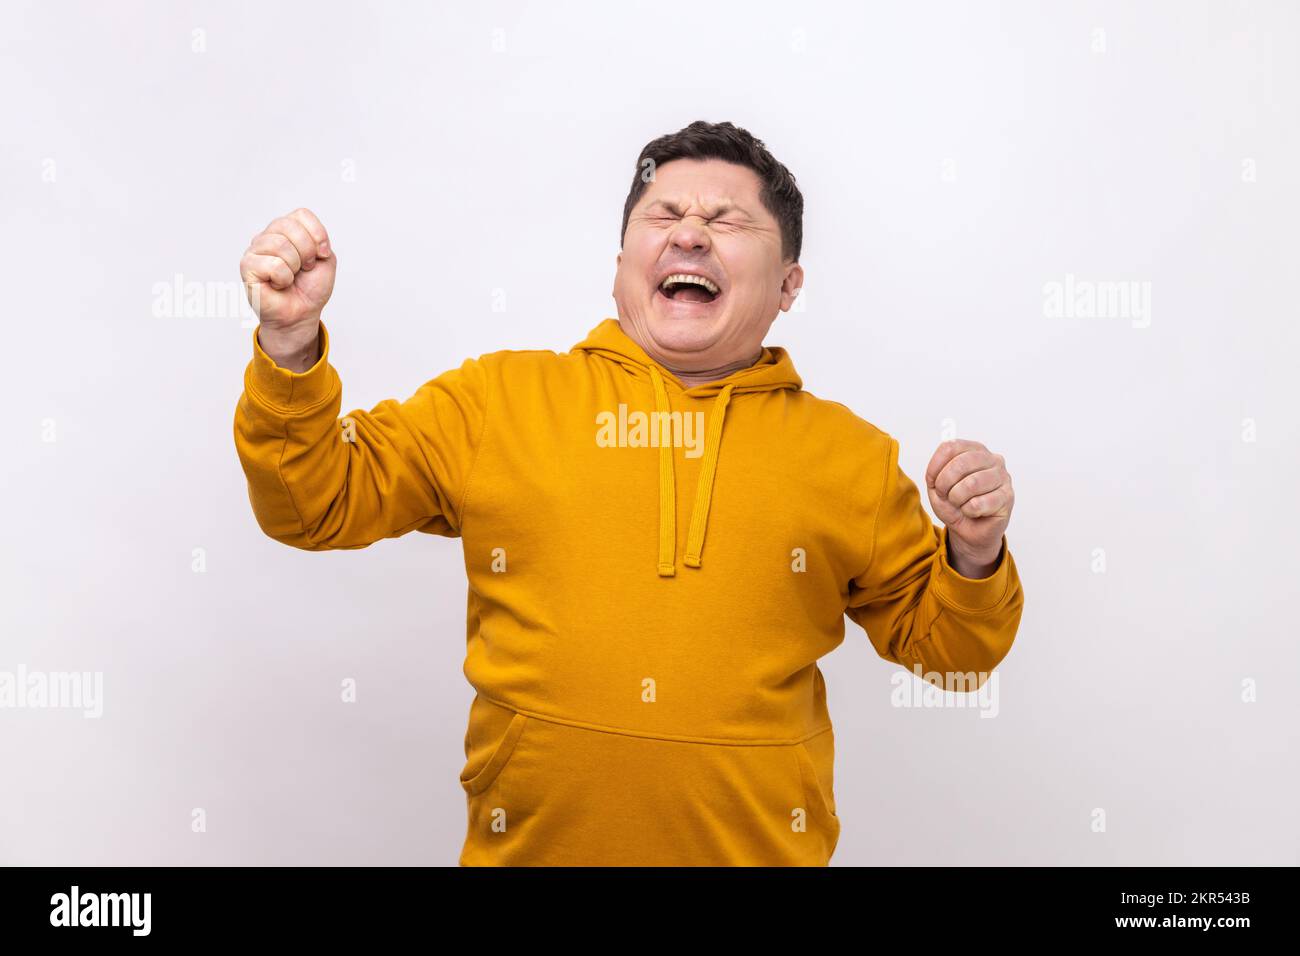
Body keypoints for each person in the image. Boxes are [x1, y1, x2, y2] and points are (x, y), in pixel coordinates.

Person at [233, 120, 1024, 866]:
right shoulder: (498, 401)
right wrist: (290, 345)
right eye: (665, 213)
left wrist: (975, 550)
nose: (690, 232)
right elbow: (314, 504)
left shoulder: (848, 458)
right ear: (619, 263)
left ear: (789, 285)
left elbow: (954, 658)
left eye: (729, 220)